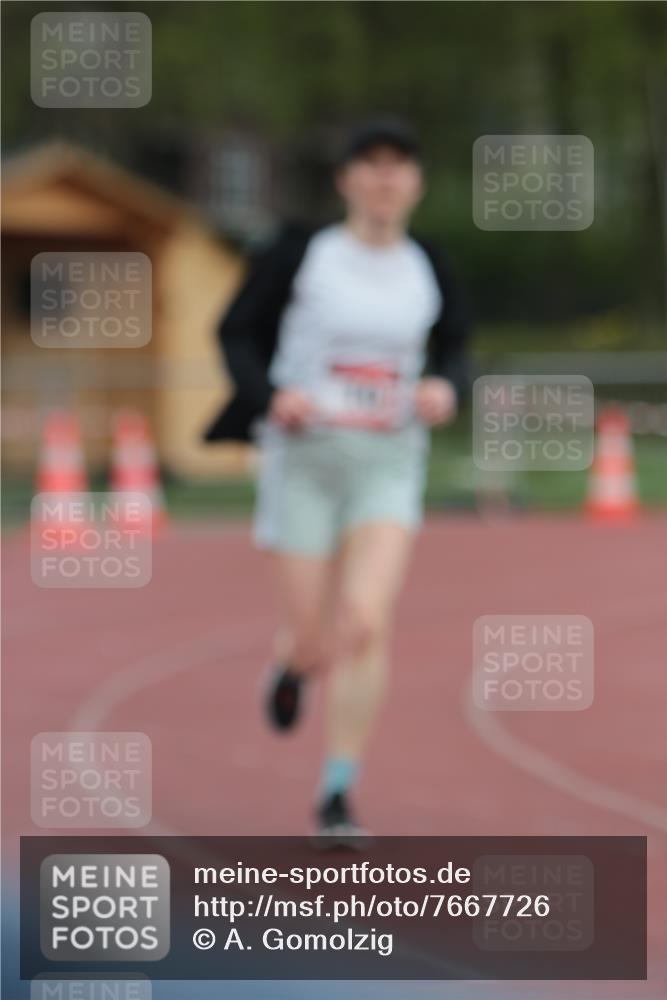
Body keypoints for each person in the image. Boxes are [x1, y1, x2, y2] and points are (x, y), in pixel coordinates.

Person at [206, 117, 470, 839]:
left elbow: (454, 348)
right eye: (370, 165)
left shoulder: (428, 264)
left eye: (399, 166)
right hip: (304, 461)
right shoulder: (302, 255)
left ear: (414, 182)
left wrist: (445, 387)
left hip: (387, 462)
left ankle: (336, 791)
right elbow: (233, 331)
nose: (384, 179)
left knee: (365, 621)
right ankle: (291, 665)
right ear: (346, 180)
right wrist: (271, 398)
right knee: (313, 639)